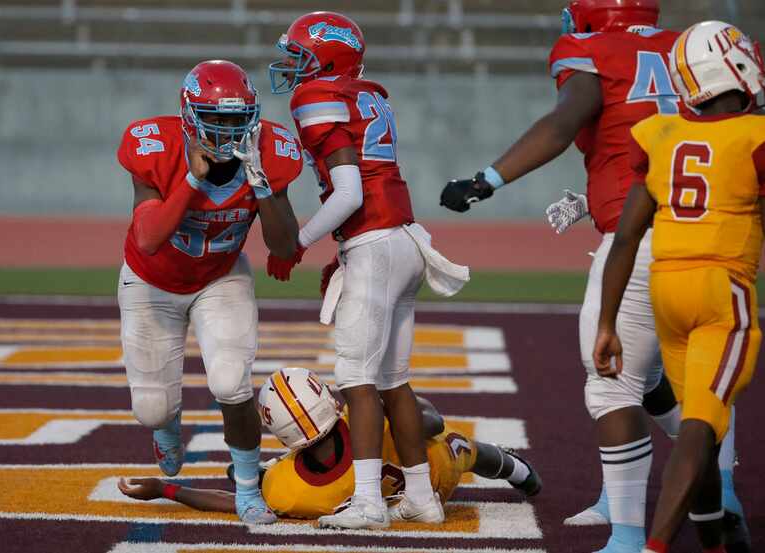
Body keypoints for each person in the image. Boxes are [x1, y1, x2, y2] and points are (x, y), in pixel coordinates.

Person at [440, 1, 745, 551]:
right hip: (705, 233)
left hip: (644, 237)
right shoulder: (684, 46)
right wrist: (596, 195)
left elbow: (565, 120)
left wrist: (488, 178)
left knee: (612, 384)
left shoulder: (593, 49)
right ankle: (716, 487)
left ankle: (631, 534)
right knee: (671, 382)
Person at [263, 11, 472, 529]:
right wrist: (341, 249)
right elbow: (366, 187)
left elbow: (350, 189)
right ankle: (421, 497)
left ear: (326, 57)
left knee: (357, 380)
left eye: (299, 55)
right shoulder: (366, 94)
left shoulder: (315, 98)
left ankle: (368, 502)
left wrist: (299, 243)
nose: (291, 66)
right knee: (393, 381)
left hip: (376, 240)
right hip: (402, 237)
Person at [593, 21, 765, 553]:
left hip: (666, 290)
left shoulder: (663, 134)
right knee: (698, 427)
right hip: (721, 292)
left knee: (703, 429)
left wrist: (607, 323)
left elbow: (625, 237)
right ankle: (656, 546)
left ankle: (713, 541)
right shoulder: (756, 137)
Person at [116, 60, 303, 524]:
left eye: (238, 119)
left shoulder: (268, 152)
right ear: (189, 115)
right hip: (150, 281)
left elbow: (282, 243)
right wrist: (193, 180)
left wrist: (259, 182)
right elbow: (149, 238)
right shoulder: (155, 147)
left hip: (220, 278)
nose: (228, 130)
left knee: (230, 382)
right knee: (151, 408)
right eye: (216, 118)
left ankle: (245, 490)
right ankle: (167, 426)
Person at [118, 368, 541, 519]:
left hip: (343, 492)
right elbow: (430, 418)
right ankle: (517, 471)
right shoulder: (365, 417)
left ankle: (258, 469)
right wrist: (390, 412)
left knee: (260, 484)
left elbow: (231, 503)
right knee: (462, 448)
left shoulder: (288, 489)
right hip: (433, 470)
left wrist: (165, 489)